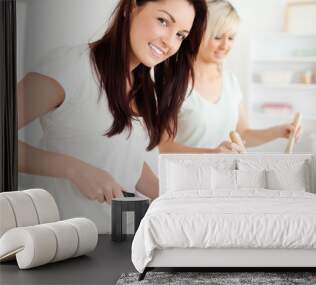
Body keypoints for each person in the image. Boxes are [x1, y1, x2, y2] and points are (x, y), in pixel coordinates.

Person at [17, 0, 207, 233]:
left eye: (180, 35)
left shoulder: (144, 87)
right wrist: (72, 169)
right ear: (130, 8)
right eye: (163, 21)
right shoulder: (69, 66)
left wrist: (173, 196)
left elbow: (124, 160)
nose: (169, 41)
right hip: (64, 241)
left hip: (118, 241)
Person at [159, 0, 301, 154]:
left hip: (226, 175)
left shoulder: (230, 82)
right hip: (187, 176)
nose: (225, 45)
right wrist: (212, 154)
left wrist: (279, 132)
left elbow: (243, 134)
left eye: (231, 38)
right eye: (218, 37)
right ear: (198, 33)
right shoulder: (175, 82)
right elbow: (165, 146)